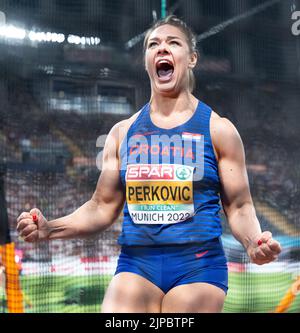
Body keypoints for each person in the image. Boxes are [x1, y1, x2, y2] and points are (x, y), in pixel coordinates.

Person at [16, 15, 281, 313]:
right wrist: (50, 228)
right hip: (136, 263)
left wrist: (252, 242)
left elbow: (239, 206)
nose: (162, 48)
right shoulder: (122, 133)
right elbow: (101, 206)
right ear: (146, 61)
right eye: (153, 44)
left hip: (198, 266)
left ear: (191, 58)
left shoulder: (219, 130)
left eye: (173, 43)